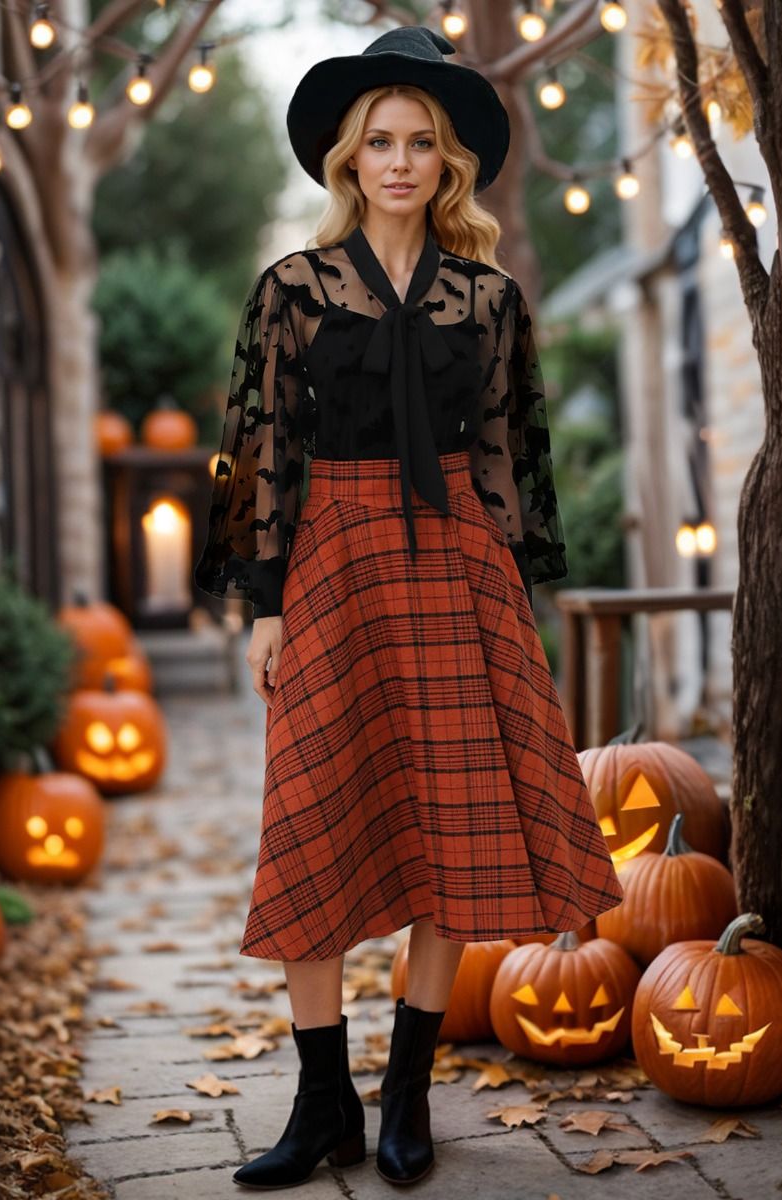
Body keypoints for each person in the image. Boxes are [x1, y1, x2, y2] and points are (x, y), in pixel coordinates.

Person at [194, 24, 625, 1191]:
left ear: (448, 164)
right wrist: (262, 604)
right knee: (312, 823)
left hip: (455, 570)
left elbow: (508, 454)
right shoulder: (291, 290)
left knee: (454, 828)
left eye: (419, 142)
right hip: (330, 563)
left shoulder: (488, 299)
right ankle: (318, 1101)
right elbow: (255, 454)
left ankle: (407, 1100)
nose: (396, 160)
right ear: (347, 159)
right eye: (377, 141)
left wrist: (513, 595)